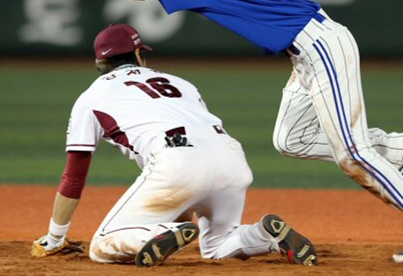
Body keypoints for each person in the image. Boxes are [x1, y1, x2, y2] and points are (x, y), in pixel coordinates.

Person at [33, 0, 403, 262]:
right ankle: (393, 148)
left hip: (320, 46)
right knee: (291, 139)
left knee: (352, 154)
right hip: (308, 47)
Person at [31, 23, 318, 267]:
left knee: (102, 246)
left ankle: (155, 233)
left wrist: (55, 238)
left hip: (176, 160)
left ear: (99, 64)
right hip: (231, 157)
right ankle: (264, 235)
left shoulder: (91, 97)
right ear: (139, 54)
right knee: (217, 246)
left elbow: (74, 175)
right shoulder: (181, 83)